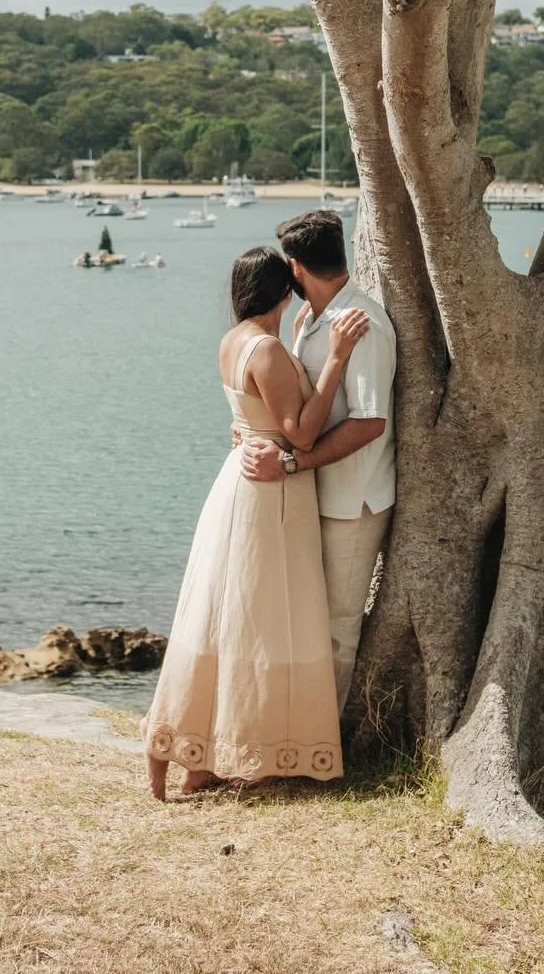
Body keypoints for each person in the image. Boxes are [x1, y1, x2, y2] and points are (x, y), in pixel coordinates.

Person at [142, 245, 370, 800]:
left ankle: (198, 757)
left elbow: (253, 410)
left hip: (238, 483)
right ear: (286, 290)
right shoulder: (266, 351)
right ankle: (242, 750)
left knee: (221, 613)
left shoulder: (235, 340)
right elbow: (301, 433)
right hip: (273, 492)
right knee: (268, 617)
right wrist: (336, 356)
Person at [240, 209, 396, 715]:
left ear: (295, 268)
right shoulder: (311, 320)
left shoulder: (362, 323)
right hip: (313, 495)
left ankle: (324, 749)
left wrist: (290, 465)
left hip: (353, 500)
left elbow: (371, 422)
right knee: (302, 620)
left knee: (336, 631)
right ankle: (296, 734)